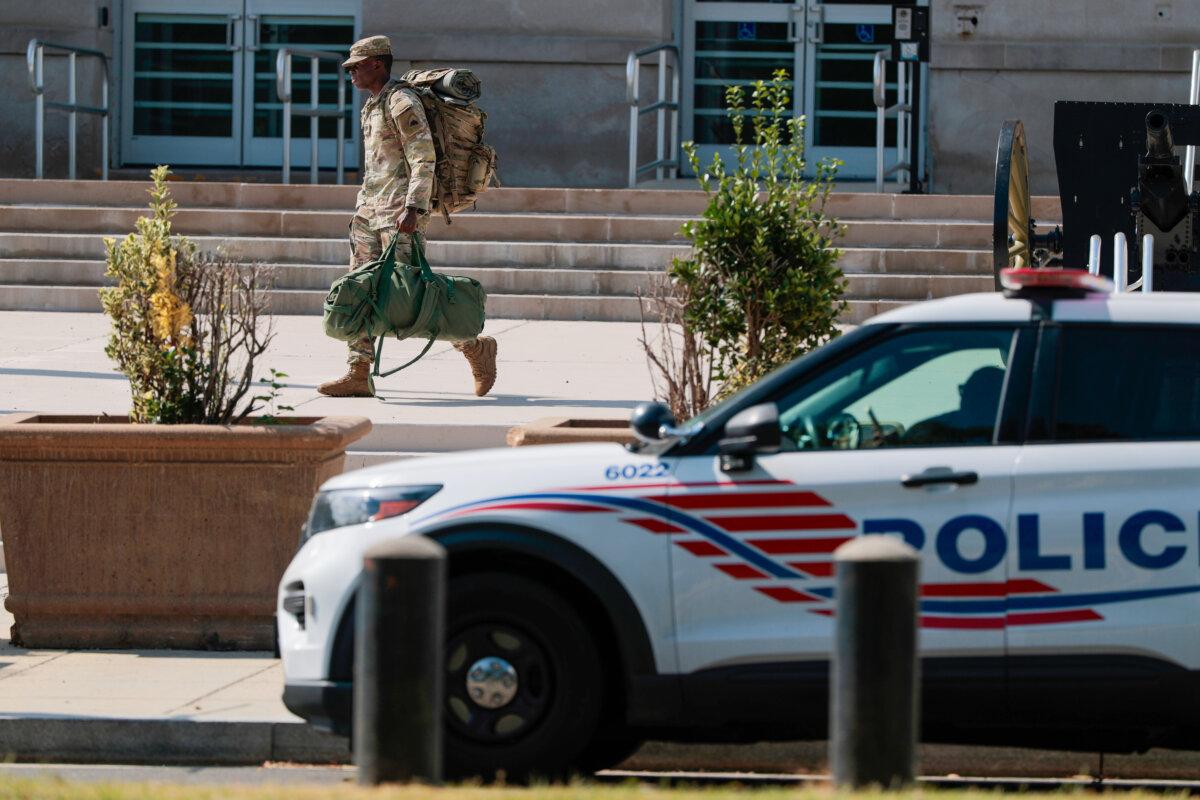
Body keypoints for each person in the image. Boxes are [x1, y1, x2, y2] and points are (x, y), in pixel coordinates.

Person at [318, 35, 498, 399]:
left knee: (409, 294)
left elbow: (423, 157)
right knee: (359, 289)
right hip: (370, 212)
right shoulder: (373, 105)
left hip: (400, 213)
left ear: (378, 64)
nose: (350, 71)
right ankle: (357, 371)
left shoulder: (401, 101)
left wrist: (414, 208)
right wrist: (363, 209)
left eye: (357, 65)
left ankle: (473, 346)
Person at [902, 365, 1005, 445]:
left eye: (973, 393)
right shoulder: (929, 429)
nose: (964, 396)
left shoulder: (929, 430)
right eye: (964, 390)